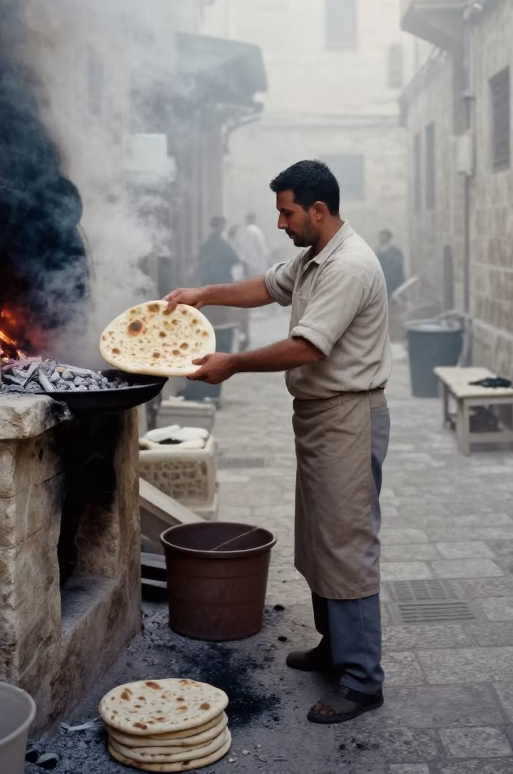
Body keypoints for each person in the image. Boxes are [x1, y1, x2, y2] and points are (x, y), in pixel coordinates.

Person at [165, 160, 391, 725]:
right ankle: (334, 648)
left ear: (319, 210)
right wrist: (204, 294)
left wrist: (233, 364)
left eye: (288, 213)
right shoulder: (313, 256)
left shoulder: (350, 265)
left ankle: (363, 680)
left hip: (348, 415)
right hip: (318, 416)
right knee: (318, 537)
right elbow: (267, 286)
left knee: (346, 543)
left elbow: (307, 348)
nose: (281, 223)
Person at [375, 229, 406, 297]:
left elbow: (398, 266)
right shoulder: (378, 252)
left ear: (388, 238)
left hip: (393, 280)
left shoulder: (395, 252)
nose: (382, 238)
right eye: (380, 236)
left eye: (384, 236)